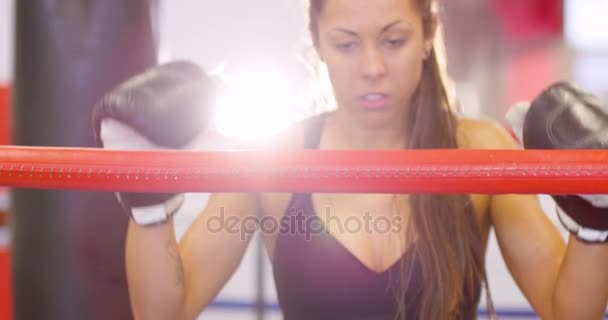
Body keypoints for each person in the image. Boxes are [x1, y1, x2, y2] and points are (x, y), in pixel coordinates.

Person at [92, 0, 608, 319]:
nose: (372, 67)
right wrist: (149, 197)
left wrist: (594, 215)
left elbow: (569, 312)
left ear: (428, 36)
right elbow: (165, 311)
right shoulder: (274, 160)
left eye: (394, 40)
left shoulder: (478, 152)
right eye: (345, 44)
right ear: (316, 41)